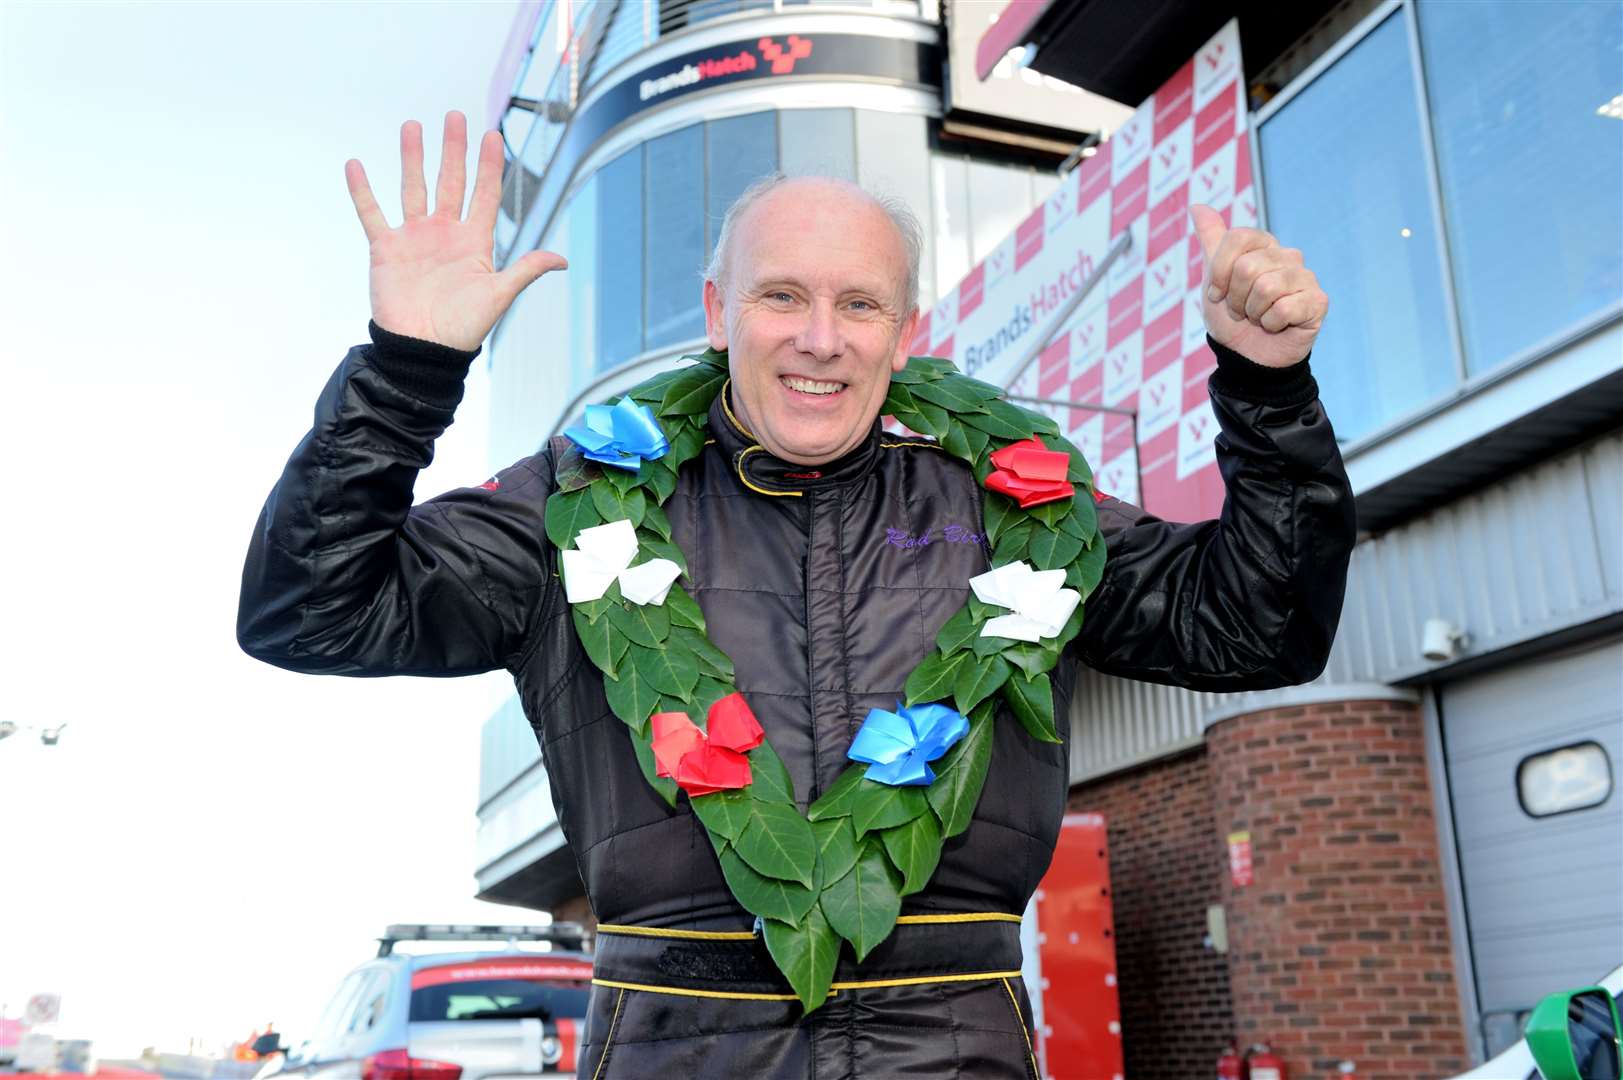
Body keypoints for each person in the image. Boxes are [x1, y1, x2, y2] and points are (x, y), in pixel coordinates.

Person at [238, 111, 1354, 1078]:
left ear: (906, 334)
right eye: (783, 295)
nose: (821, 339)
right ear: (720, 310)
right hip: (675, 1052)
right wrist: (406, 369)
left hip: (955, 1052)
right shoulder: (572, 505)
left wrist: (1266, 390)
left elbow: (1257, 626)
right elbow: (312, 608)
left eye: (860, 304)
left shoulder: (1024, 508)